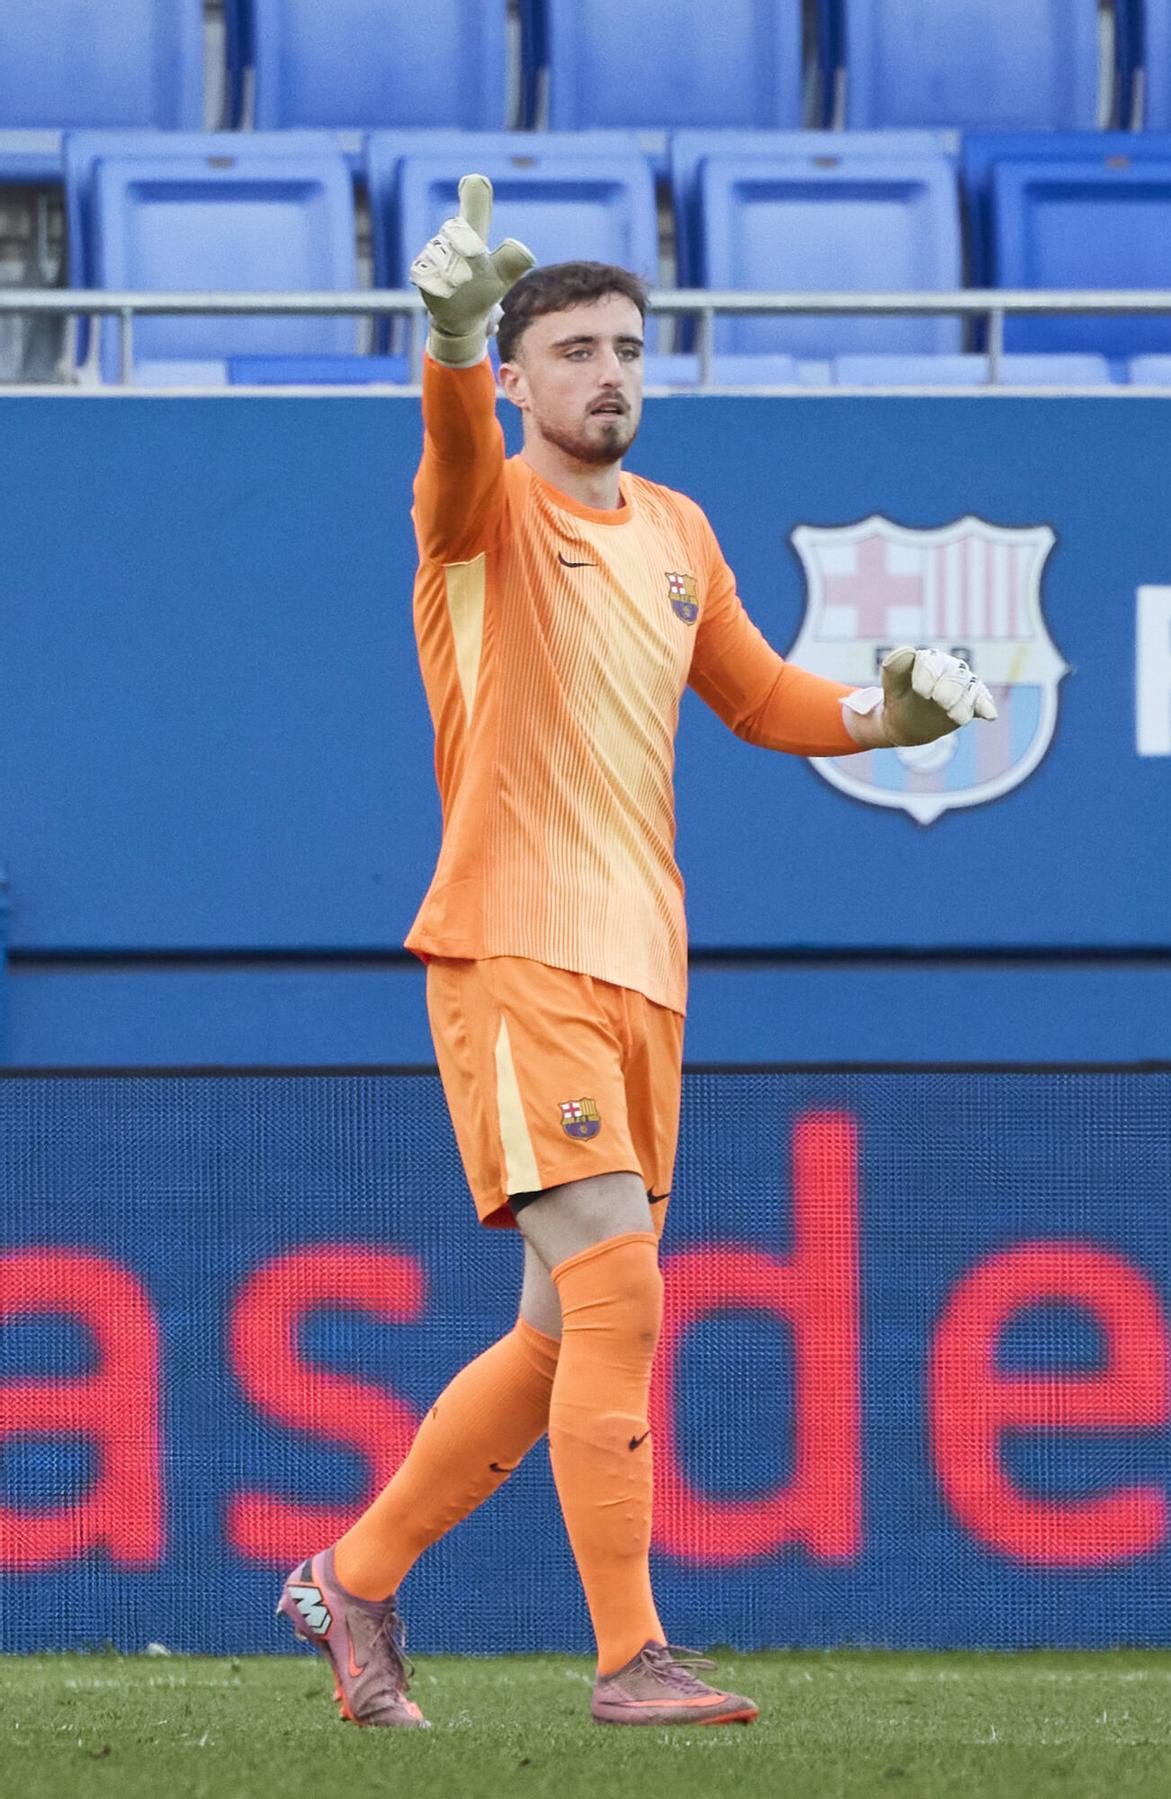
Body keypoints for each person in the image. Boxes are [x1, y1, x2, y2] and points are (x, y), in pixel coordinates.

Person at [277, 175, 995, 1730]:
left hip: (643, 966)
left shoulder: (676, 528)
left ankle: (357, 1576)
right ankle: (629, 1660)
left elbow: (763, 699)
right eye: (578, 351)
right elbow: (451, 446)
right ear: (524, 381)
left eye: (630, 347)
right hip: (512, 942)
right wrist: (453, 334)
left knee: (563, 1332)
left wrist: (893, 714)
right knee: (618, 1291)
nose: (612, 373)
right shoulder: (481, 512)